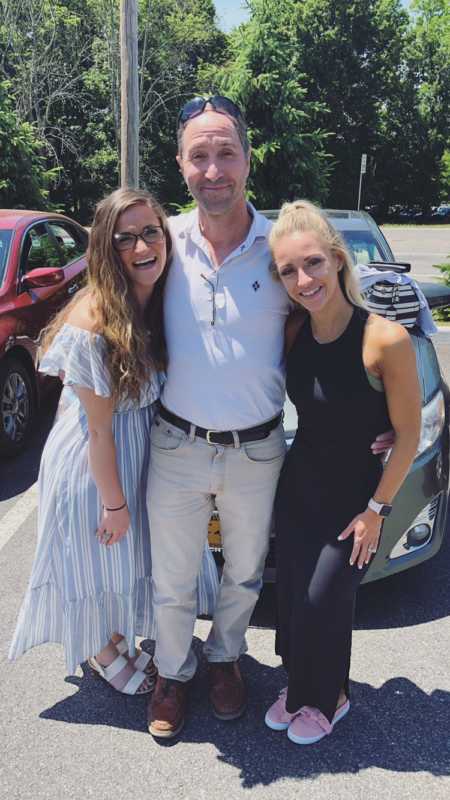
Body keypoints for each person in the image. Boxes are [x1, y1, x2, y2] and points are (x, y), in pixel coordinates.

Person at [146, 96, 392, 738]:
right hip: (177, 441)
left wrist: (378, 413)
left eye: (226, 152)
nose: (213, 168)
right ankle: (172, 674)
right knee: (172, 575)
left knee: (247, 572)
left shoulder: (278, 245)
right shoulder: (161, 243)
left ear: (247, 160)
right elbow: (110, 307)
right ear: (181, 165)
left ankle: (225, 661)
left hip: (258, 450)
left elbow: (331, 329)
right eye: (199, 155)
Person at [9, 188, 215, 695]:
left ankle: (115, 635)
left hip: (140, 450)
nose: (142, 246)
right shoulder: (93, 319)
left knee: (124, 560)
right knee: (96, 556)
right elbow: (99, 430)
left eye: (151, 232)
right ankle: (100, 649)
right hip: (95, 462)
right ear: (105, 247)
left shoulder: (157, 302)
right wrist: (114, 503)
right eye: (125, 239)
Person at [264, 200, 421, 745]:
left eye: (312, 264)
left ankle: (331, 696)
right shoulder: (292, 332)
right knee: (290, 597)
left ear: (336, 260)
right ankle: (299, 685)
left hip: (357, 494)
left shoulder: (384, 339)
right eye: (288, 270)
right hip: (299, 484)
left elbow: (410, 435)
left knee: (324, 598)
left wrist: (377, 510)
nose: (303, 280)